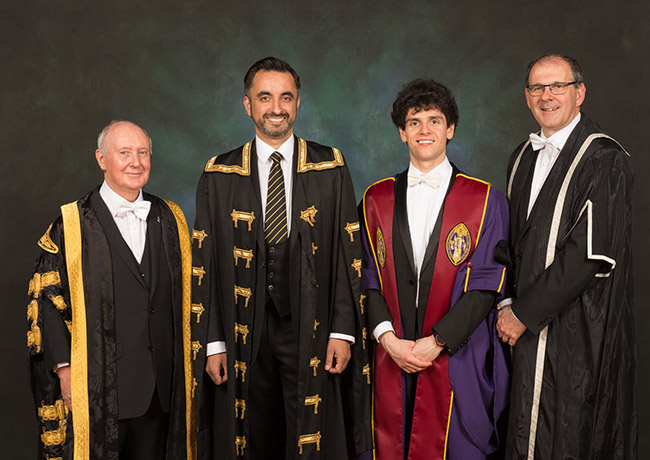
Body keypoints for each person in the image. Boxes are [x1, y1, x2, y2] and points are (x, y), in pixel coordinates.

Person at [191, 57, 371, 459]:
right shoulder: (219, 174)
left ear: (298, 103)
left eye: (286, 97)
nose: (276, 107)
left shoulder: (330, 167)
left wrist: (342, 331)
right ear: (247, 104)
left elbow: (349, 256)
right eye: (265, 97)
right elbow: (207, 265)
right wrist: (214, 341)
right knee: (253, 434)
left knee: (308, 433)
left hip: (309, 324)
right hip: (242, 329)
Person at [27, 121, 196, 460]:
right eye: (124, 153)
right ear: (102, 159)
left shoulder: (171, 217)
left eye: (143, 153)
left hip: (159, 388)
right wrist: (64, 368)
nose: (136, 162)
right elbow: (46, 300)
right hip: (99, 387)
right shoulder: (71, 224)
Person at [360, 78, 510, 460]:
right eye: (414, 122)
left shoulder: (485, 199)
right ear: (401, 132)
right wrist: (388, 340)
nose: (424, 130)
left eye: (434, 120)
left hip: (457, 359)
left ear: (451, 129)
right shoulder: (375, 199)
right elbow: (366, 280)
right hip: (390, 354)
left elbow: (486, 285)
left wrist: (437, 342)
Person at [496, 54, 636, 459]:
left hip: (579, 330)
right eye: (538, 88)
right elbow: (510, 242)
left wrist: (522, 313)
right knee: (523, 433)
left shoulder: (604, 158)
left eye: (557, 86)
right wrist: (507, 302)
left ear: (579, 93)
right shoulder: (522, 155)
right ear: (527, 97)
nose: (547, 96)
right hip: (521, 329)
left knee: (569, 435)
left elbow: (587, 257)